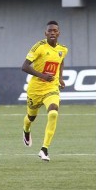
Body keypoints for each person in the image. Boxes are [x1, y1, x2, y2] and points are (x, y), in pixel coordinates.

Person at [21, 20, 68, 161]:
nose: (52, 33)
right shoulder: (39, 47)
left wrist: (59, 78)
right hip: (35, 89)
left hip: (51, 88)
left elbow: (61, 61)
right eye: (50, 31)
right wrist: (42, 76)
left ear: (59, 33)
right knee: (31, 118)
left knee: (53, 113)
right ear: (45, 33)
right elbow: (24, 66)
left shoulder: (63, 49)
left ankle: (44, 149)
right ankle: (26, 130)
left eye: (55, 30)